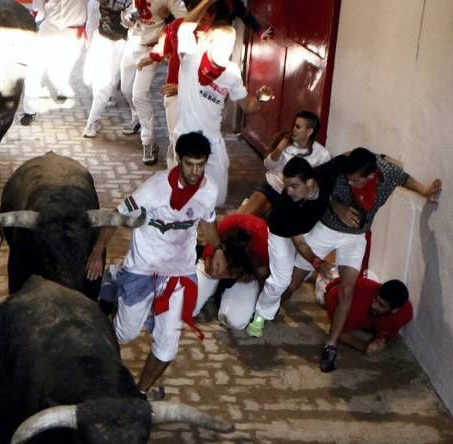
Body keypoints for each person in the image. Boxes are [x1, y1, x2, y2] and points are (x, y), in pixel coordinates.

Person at [281, 147, 441, 372]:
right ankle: (272, 307)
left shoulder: (386, 172)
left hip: (355, 237)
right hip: (327, 229)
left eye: (355, 181)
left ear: (370, 176)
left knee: (348, 290)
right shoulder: (341, 171)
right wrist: (339, 207)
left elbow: (403, 178)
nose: (350, 183)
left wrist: (424, 190)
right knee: (293, 280)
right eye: (348, 178)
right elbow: (319, 189)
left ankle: (331, 345)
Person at [87, 131, 221, 394]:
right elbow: (117, 215)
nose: (195, 172)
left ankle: (140, 393)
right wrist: (97, 251)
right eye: (189, 164)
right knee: (124, 334)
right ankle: (115, 279)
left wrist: (219, 249)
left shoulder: (209, 191)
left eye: (200, 165)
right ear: (178, 160)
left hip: (180, 273)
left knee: (168, 344)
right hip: (143, 268)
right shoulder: (155, 188)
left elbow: (208, 223)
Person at [174, 19, 273, 206]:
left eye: (230, 46)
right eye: (221, 44)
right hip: (186, 136)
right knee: (183, 193)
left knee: (218, 197)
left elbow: (247, 106)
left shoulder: (232, 72)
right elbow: (184, 26)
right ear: (209, 42)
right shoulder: (191, 58)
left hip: (212, 139)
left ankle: (205, 221)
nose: (226, 50)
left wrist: (260, 98)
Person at [245, 156, 338, 339]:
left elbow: (347, 158)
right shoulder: (288, 205)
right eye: (286, 186)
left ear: (310, 182)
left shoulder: (326, 174)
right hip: (281, 233)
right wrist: (318, 263)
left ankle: (268, 294)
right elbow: (300, 244)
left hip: (309, 229)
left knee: (292, 281)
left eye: (294, 186)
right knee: (280, 280)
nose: (288, 191)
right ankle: (260, 316)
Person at [119, 0, 188, 165]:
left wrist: (169, 19)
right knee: (126, 90)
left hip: (151, 49)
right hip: (132, 45)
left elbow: (187, 22)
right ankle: (138, 118)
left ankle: (147, 142)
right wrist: (129, 17)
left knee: (139, 95)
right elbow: (126, 19)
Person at [239, 110, 331, 218]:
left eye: (298, 127)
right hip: (271, 186)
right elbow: (268, 165)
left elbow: (322, 184)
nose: (293, 130)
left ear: (309, 131)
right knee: (244, 217)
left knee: (267, 222)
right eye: (294, 125)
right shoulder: (286, 142)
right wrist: (279, 149)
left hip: (291, 196)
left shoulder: (322, 154)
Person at [195, 212, 268, 329]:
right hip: (223, 257)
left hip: (251, 273)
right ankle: (215, 286)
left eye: (231, 271)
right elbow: (208, 257)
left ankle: (225, 288)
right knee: (183, 311)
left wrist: (256, 274)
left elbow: (277, 278)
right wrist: (210, 263)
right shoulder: (229, 224)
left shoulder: (267, 243)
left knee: (234, 321)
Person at [20, 0, 88, 125]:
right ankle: (30, 110)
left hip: (72, 31)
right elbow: (38, 11)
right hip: (49, 28)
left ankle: (61, 87)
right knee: (34, 69)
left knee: (63, 66)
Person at [323, 277, 413, 356]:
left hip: (357, 284)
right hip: (332, 288)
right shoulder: (357, 305)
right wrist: (363, 346)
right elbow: (336, 333)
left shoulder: (404, 313)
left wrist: (380, 339)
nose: (374, 305)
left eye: (381, 305)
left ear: (395, 310)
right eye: (375, 298)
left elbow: (388, 332)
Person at [81, 0, 129, 137]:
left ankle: (91, 123)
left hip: (120, 42)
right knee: (91, 80)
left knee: (106, 84)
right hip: (101, 37)